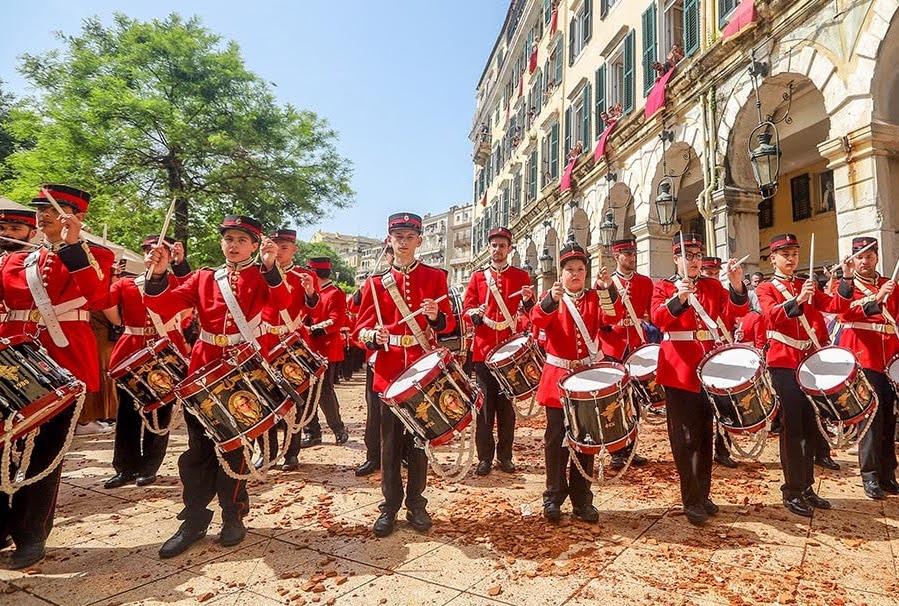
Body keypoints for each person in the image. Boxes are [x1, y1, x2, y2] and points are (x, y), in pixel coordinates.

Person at [143, 214, 289, 558]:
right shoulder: (205, 277)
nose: (234, 246)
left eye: (242, 240)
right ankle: (193, 519)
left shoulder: (263, 276)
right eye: (229, 239)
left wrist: (271, 267)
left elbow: (282, 304)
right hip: (203, 370)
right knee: (197, 450)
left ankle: (233, 515)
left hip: (242, 374)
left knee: (234, 449)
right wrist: (159, 273)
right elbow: (163, 305)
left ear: (254, 246)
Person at [0, 185, 114, 569]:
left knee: (44, 455)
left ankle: (31, 536)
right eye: (42, 209)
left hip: (62, 365)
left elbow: (97, 298)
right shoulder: (14, 260)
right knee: (4, 449)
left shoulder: (95, 254)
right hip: (15, 363)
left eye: (56, 208)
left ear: (77, 217)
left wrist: (73, 244)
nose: (45, 214)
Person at [354, 212, 455, 537]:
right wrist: (373, 335)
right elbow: (358, 330)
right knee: (389, 444)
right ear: (390, 240)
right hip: (389, 371)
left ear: (419, 241)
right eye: (398, 237)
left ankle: (416, 503)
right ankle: (390, 506)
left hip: (421, 371)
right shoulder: (374, 283)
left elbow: (449, 325)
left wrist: (437, 317)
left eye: (410, 237)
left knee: (419, 443)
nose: (403, 242)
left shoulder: (435, 277)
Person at [651, 233, 748, 525]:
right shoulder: (663, 286)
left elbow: (736, 313)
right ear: (676, 258)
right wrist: (679, 297)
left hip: (708, 368)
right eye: (688, 255)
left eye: (697, 255)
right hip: (678, 369)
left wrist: (736, 285)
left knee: (706, 434)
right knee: (685, 437)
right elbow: (658, 319)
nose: (694, 261)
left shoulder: (712, 286)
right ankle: (690, 498)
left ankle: (703, 494)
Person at [756, 233, 854, 517]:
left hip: (809, 362)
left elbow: (836, 306)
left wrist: (847, 277)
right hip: (784, 362)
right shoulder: (766, 287)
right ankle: (792, 489)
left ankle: (807, 486)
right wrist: (798, 299)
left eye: (794, 253)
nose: (791, 258)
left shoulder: (804, 284)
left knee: (811, 425)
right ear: (773, 258)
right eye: (784, 254)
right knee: (793, 427)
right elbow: (770, 317)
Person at [531, 242, 619, 524]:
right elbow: (537, 320)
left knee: (586, 440)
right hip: (558, 378)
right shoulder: (551, 297)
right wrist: (550, 300)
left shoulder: (594, 297)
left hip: (585, 378)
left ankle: (582, 499)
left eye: (580, 269)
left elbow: (612, 317)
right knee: (555, 440)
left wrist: (608, 289)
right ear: (562, 273)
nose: (576, 274)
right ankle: (553, 496)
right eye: (570, 269)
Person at [101, 234, 192, 489]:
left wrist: (181, 263)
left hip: (166, 348)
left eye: (160, 250)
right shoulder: (126, 284)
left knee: (160, 410)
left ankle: (149, 466)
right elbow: (106, 306)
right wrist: (107, 275)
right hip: (131, 349)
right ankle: (125, 467)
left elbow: (190, 294)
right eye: (148, 250)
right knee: (126, 413)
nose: (152, 254)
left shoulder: (176, 282)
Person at [462, 226, 534, 476]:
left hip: (509, 353)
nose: (498, 250)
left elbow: (529, 312)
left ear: (509, 249)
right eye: (494, 245)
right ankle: (484, 457)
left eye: (502, 246)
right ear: (489, 248)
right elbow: (467, 308)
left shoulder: (521, 276)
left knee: (506, 409)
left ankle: (505, 456)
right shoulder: (478, 278)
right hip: (483, 352)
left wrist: (528, 300)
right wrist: (476, 314)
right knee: (484, 410)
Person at [831, 237, 899, 499]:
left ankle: (887, 474)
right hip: (863, 359)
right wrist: (877, 299)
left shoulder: (889, 284)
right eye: (860, 257)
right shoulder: (845, 287)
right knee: (871, 419)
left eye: (869, 257)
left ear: (877, 258)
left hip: (889, 360)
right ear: (853, 259)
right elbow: (845, 314)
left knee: (889, 418)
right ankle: (869, 475)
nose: (865, 262)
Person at [254, 229, 318, 471]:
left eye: (284, 247)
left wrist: (310, 293)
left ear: (294, 250)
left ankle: (292, 452)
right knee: (264, 399)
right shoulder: (258, 273)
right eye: (275, 246)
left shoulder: (304, 275)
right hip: (264, 341)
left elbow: (314, 311)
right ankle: (267, 452)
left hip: (293, 341)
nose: (279, 251)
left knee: (295, 400)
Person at [599, 238, 652, 470]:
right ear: (616, 256)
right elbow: (601, 318)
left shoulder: (645, 282)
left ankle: (630, 447)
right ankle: (616, 451)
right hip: (613, 345)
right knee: (614, 401)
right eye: (627, 254)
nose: (632, 257)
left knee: (635, 400)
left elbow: (651, 313)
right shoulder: (605, 283)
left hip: (637, 344)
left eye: (633, 253)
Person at [299, 257, 349, 448]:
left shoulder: (335, 293)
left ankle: (338, 429)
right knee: (305, 392)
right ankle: (312, 432)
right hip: (306, 348)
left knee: (324, 392)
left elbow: (336, 321)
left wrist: (311, 330)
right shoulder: (308, 292)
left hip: (326, 349)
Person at [355, 243, 394, 477]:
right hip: (378, 357)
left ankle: (402, 454)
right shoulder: (376, 282)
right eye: (390, 253)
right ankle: (373, 456)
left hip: (407, 358)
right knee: (374, 411)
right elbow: (361, 324)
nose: (394, 256)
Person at [700, 256, 739, 469]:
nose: (714, 277)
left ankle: (723, 450)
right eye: (709, 273)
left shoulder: (723, 293)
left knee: (726, 405)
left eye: (716, 273)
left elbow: (735, 314)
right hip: (705, 352)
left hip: (723, 350)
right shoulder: (698, 293)